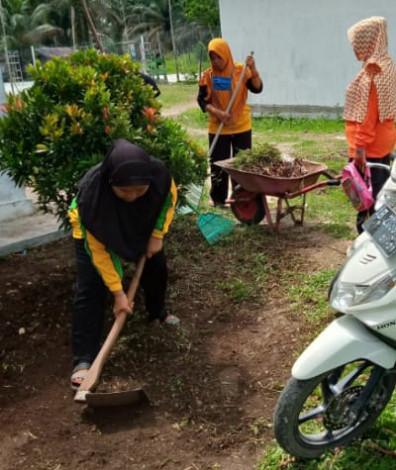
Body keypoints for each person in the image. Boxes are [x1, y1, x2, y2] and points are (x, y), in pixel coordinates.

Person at [68, 139, 179, 390]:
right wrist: (118, 294)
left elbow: (167, 200)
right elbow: (100, 255)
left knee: (156, 268)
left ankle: (158, 312)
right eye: (125, 191)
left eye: (139, 191)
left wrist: (157, 235)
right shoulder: (91, 202)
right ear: (110, 184)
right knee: (91, 288)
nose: (132, 196)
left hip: (138, 226)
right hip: (93, 232)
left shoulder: (159, 176)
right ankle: (85, 359)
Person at [343, 15, 396, 233]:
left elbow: (366, 116)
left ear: (369, 41)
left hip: (369, 149)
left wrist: (359, 149)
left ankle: (368, 244)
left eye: (357, 42)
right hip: (382, 144)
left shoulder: (373, 73)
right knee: (379, 196)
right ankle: (381, 239)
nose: (354, 47)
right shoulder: (387, 64)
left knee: (366, 201)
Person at [197, 39, 263, 205]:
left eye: (219, 57)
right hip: (217, 126)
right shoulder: (208, 76)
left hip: (241, 126)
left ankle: (240, 197)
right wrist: (217, 112)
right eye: (212, 58)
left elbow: (257, 88)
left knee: (241, 165)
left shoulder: (241, 71)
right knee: (218, 165)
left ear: (226, 55)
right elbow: (201, 101)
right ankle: (218, 199)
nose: (216, 62)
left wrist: (253, 68)